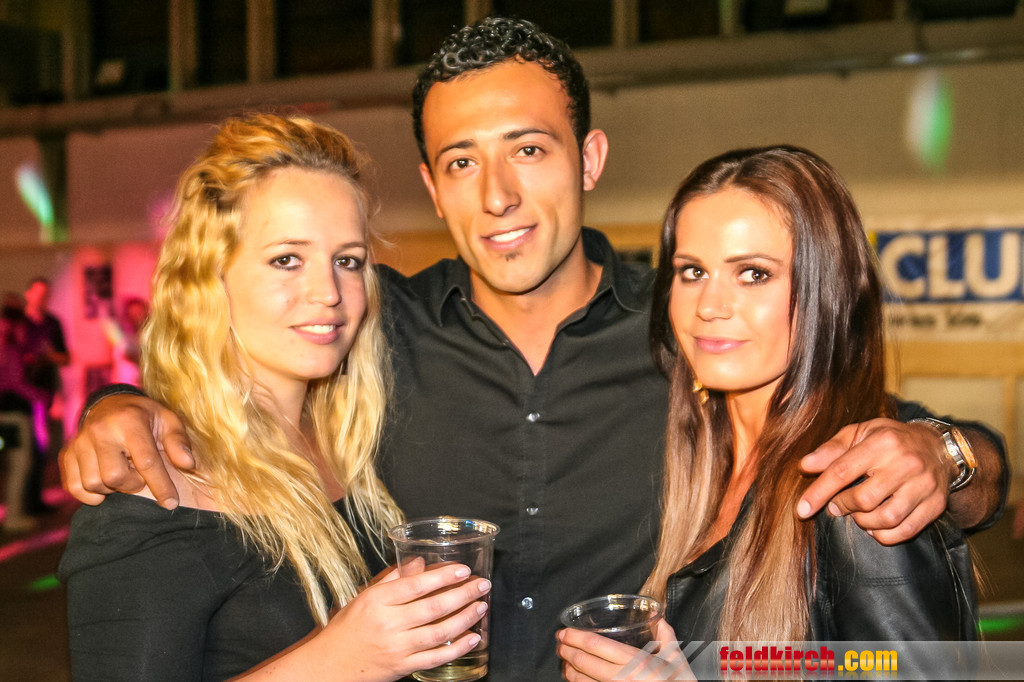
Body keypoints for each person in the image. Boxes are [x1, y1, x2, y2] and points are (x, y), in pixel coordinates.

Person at [60, 18, 1007, 681]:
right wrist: (123, 407)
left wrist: (950, 453)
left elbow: (892, 473)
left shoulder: (685, 336)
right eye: (462, 162)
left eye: (529, 150)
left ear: (588, 159)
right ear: (433, 187)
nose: (497, 196)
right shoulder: (370, 329)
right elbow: (246, 342)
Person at [57, 113, 491, 681]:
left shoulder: (353, 446)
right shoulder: (155, 487)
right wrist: (343, 660)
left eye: (347, 261)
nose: (328, 292)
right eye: (287, 259)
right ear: (211, 277)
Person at [557, 146, 978, 681]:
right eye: (692, 271)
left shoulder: (858, 492)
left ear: (828, 292)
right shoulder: (705, 466)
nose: (709, 306)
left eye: (753, 274)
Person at [21, 276, 70, 512]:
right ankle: (26, 501)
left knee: (40, 448)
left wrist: (47, 356)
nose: (41, 299)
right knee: (27, 449)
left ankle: (33, 500)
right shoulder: (18, 323)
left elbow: (65, 357)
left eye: (45, 295)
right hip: (21, 394)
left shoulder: (52, 323)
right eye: (38, 294)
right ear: (28, 294)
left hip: (44, 394)